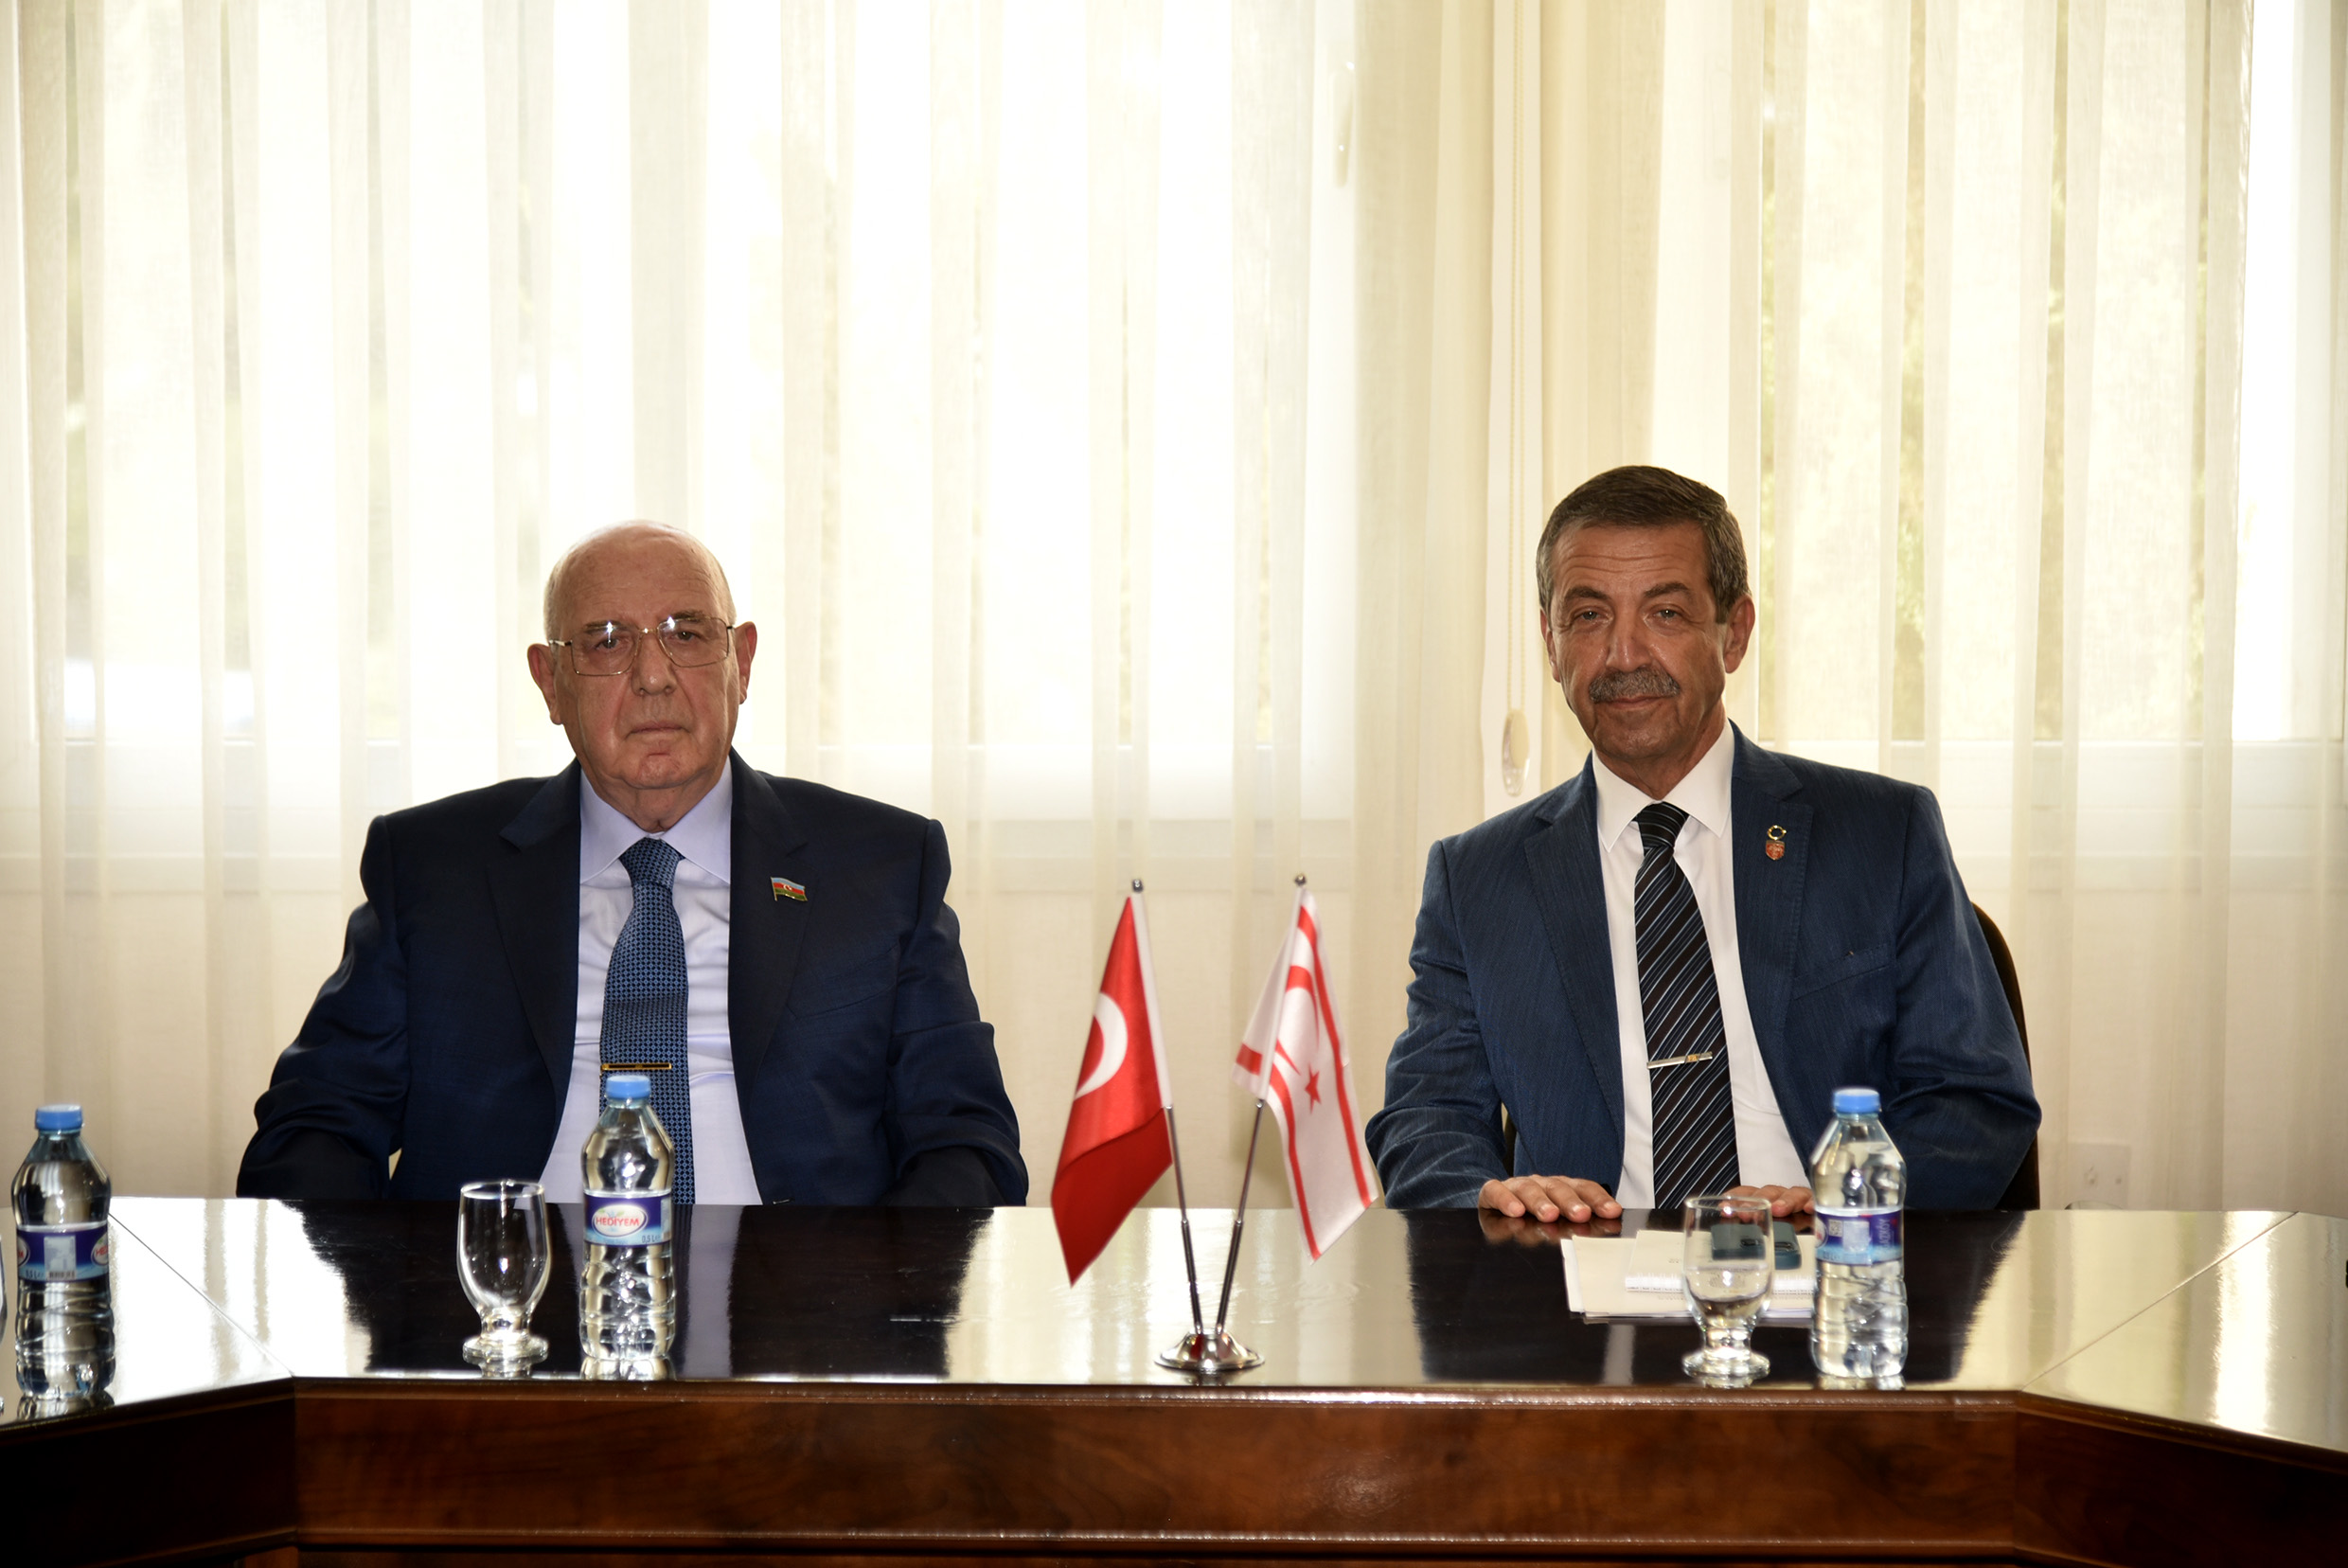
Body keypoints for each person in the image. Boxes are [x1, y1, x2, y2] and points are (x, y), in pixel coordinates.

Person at [238, 523, 1025, 1206]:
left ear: (742, 662)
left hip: (798, 1308)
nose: (653, 676)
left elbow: (966, 1143)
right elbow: (315, 1128)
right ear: (551, 682)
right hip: (511, 1307)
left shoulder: (881, 867)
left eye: (687, 633)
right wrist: (395, 1296)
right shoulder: (434, 869)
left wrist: (873, 1296)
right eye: (607, 642)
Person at [1363, 466, 2037, 1221]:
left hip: (1828, 1264)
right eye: (1588, 616)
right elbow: (1425, 1123)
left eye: (1665, 613)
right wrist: (1489, 1195)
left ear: (1735, 632)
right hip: (1583, 1275)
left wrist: (1841, 1204)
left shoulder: (1883, 835)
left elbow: (1976, 1102)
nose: (1624, 655)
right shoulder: (1477, 880)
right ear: (1550, 643)